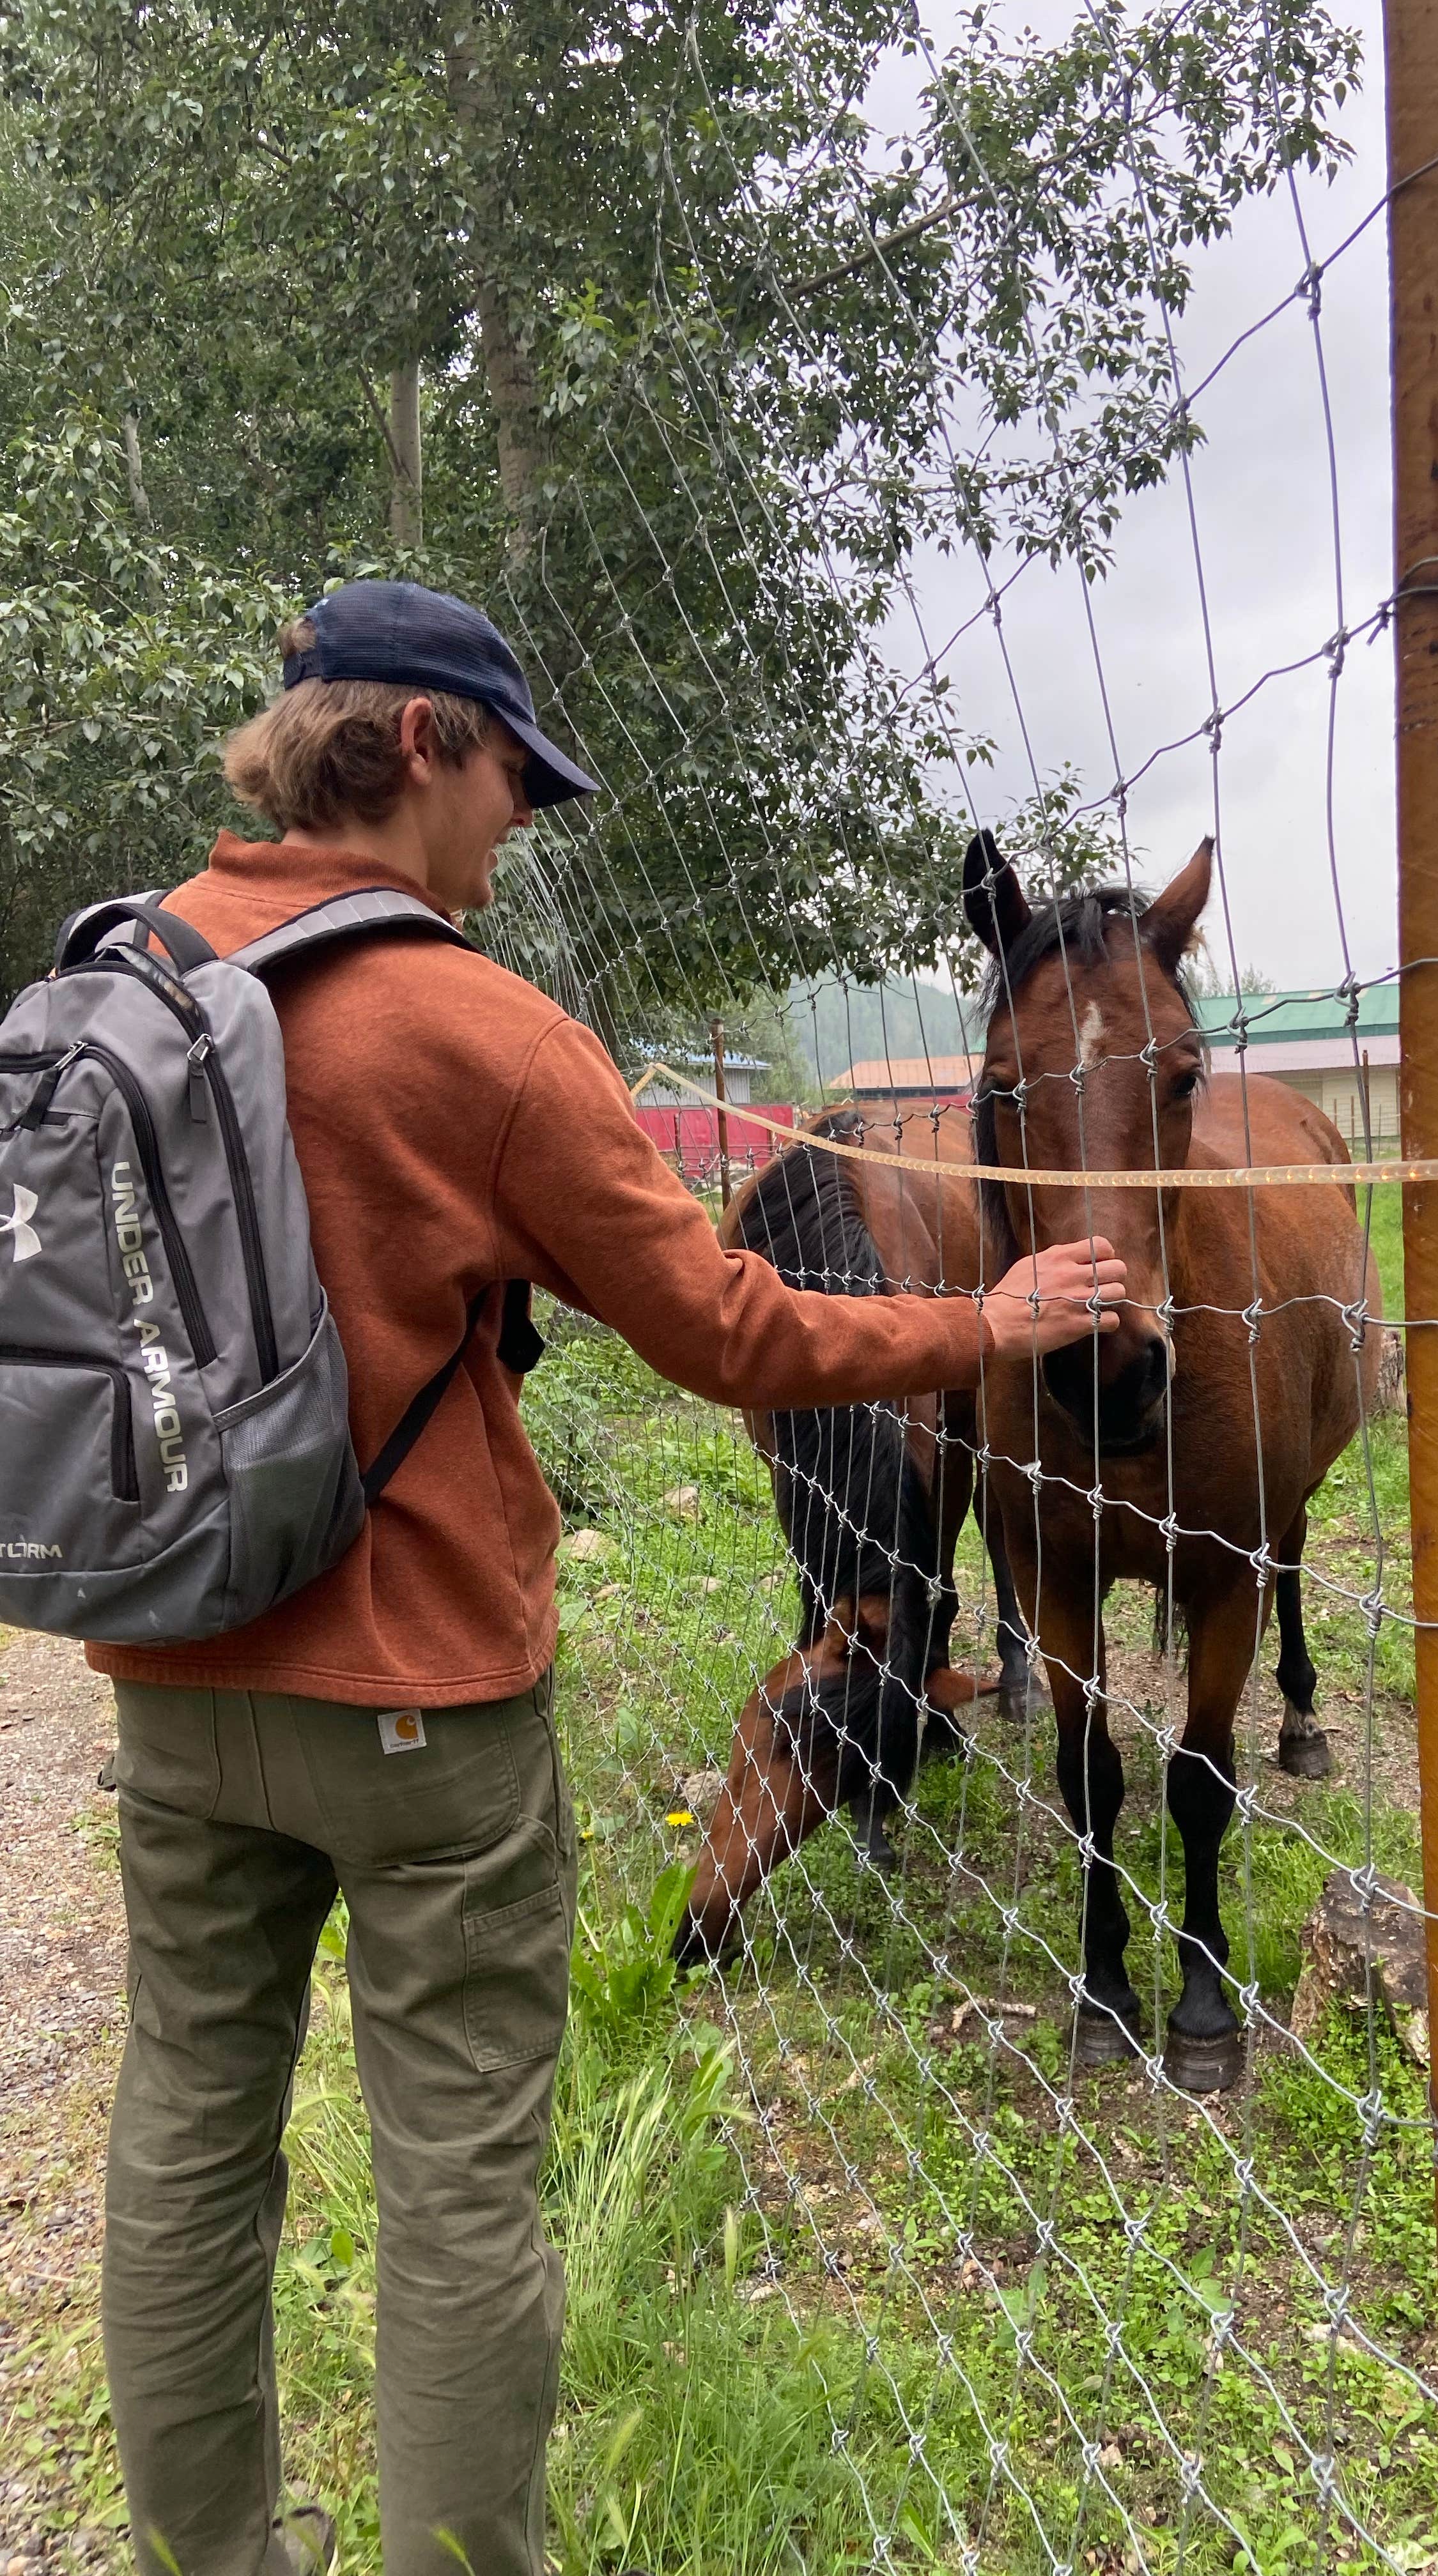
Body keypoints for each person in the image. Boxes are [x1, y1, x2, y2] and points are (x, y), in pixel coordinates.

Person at [89, 581, 1127, 2576]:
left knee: (186, 2138)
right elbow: (737, 1331)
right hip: (418, 1702)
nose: (520, 829)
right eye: (508, 780)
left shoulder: (134, 967)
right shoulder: (476, 1027)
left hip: (173, 1664)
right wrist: (979, 1328)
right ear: (413, 748)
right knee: (461, 2178)